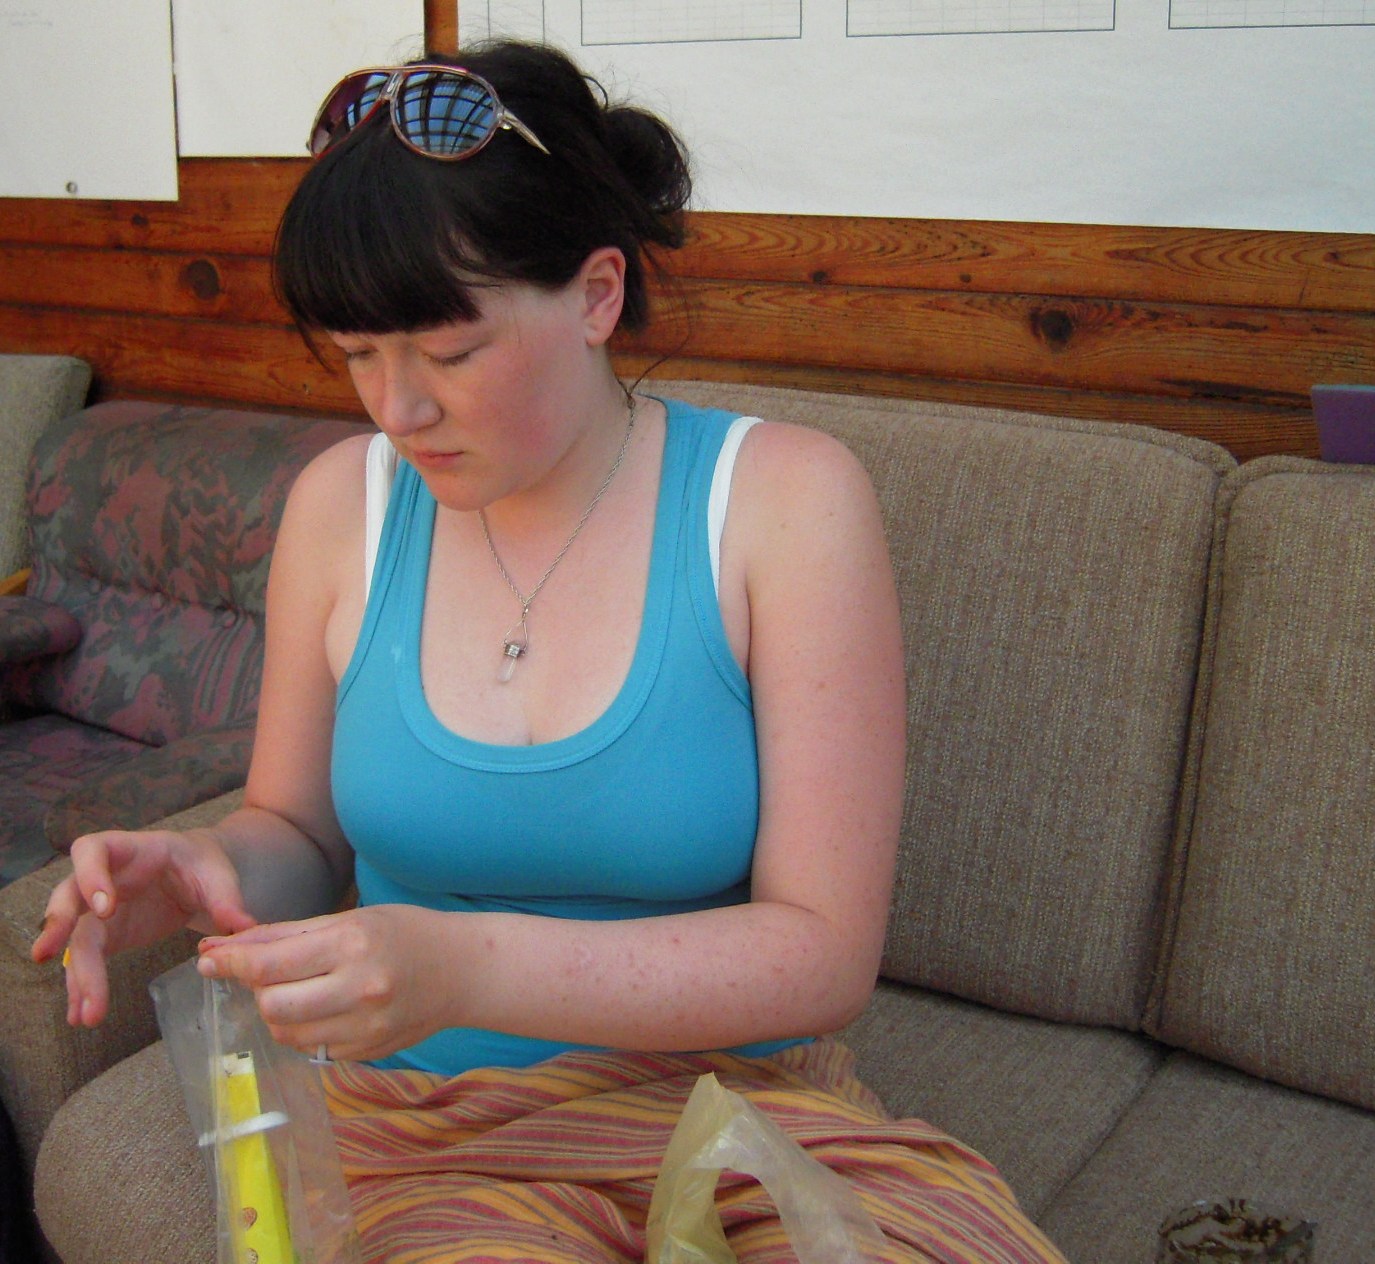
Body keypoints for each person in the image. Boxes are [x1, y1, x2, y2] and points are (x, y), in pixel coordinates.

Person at [32, 40, 1065, 1263]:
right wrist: (205, 866)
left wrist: (464, 965)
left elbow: (822, 954)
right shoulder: (340, 507)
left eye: (449, 351)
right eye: (357, 354)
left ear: (596, 295)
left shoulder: (782, 503)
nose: (397, 408)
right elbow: (299, 834)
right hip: (420, 1123)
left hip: (730, 1104)